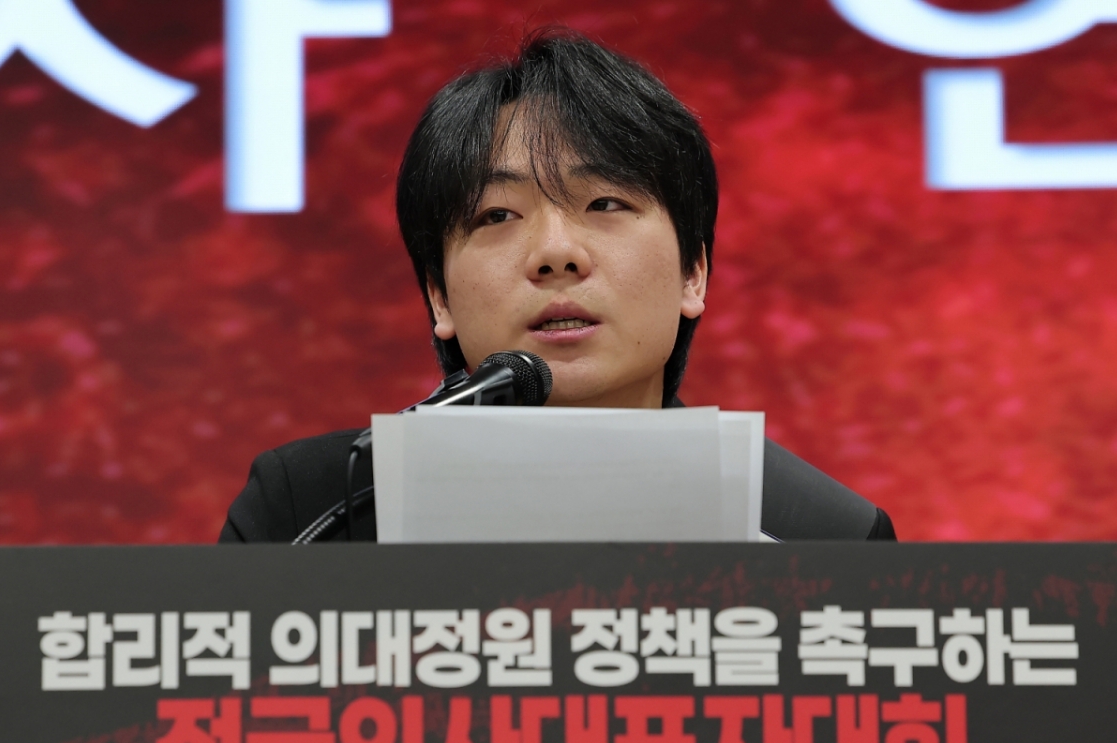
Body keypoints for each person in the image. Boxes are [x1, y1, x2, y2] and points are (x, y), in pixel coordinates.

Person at [220, 29, 896, 543]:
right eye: (497, 216)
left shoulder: (820, 533)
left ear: (694, 272)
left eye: (605, 203)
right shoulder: (311, 511)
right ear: (439, 297)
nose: (555, 255)